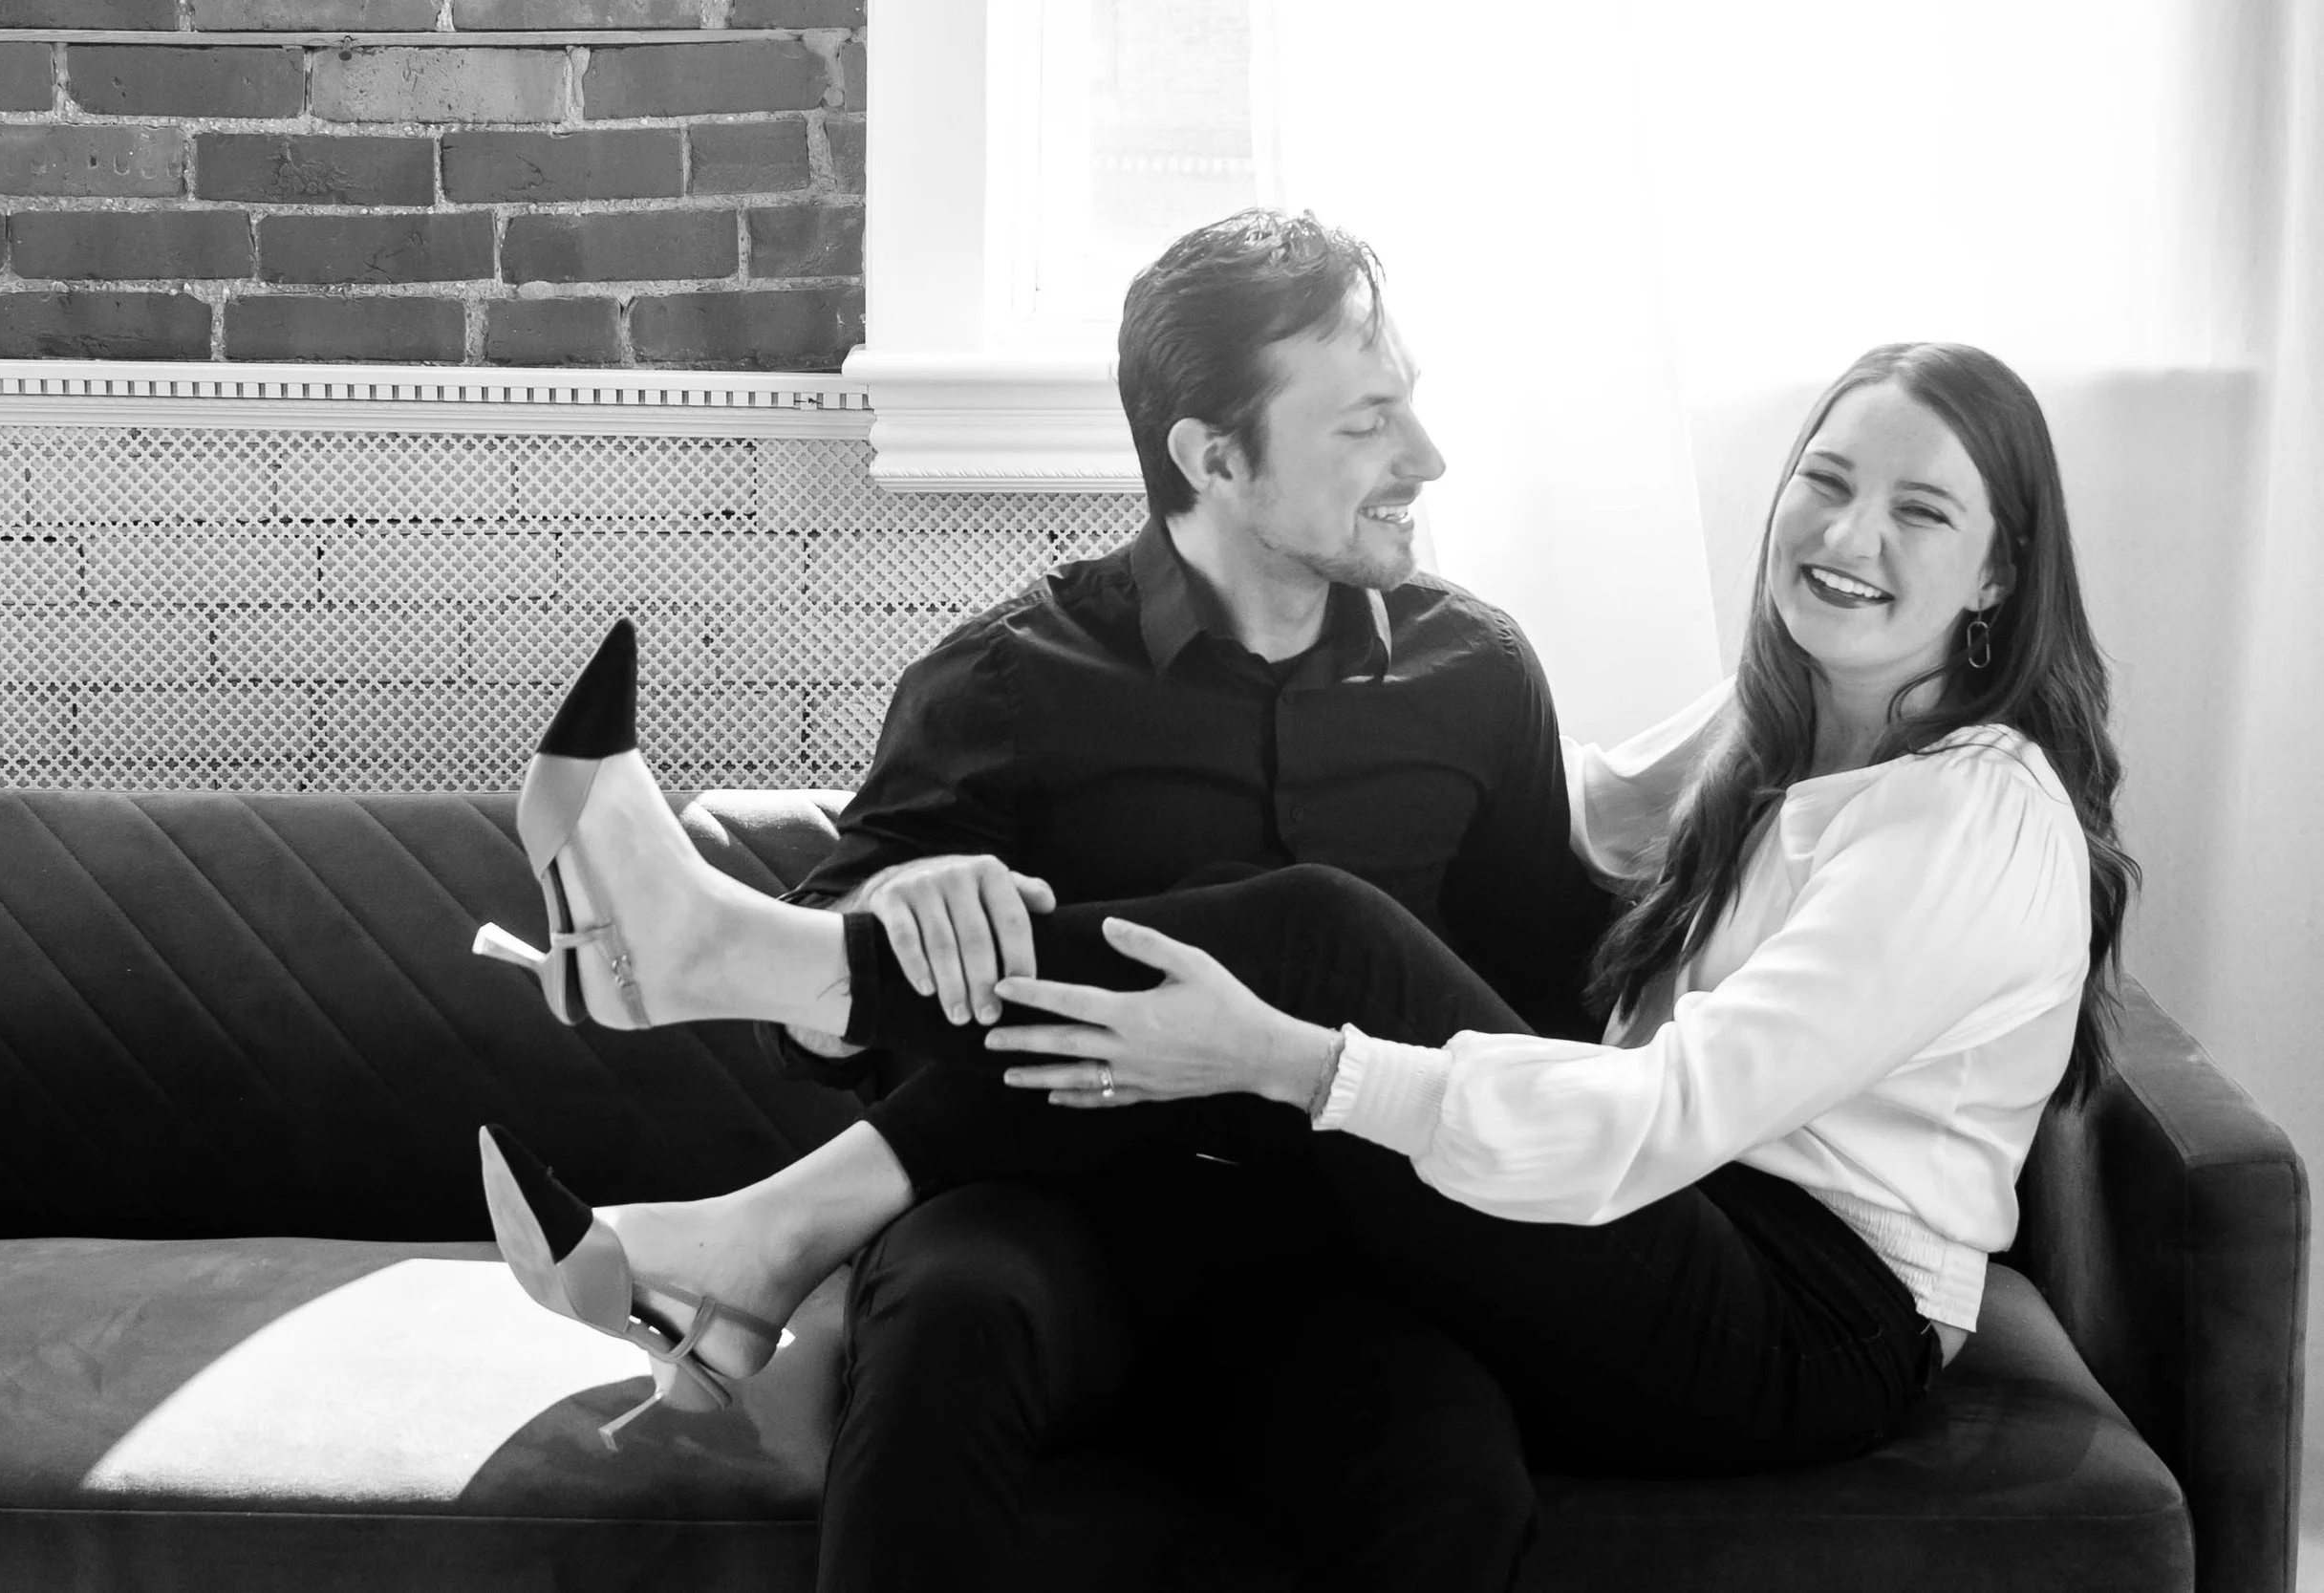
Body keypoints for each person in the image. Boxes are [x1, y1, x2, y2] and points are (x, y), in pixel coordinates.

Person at [475, 337, 2137, 1561]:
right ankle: (756, 1172)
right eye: (1829, 481)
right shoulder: (1777, 730)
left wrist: (1290, 1053)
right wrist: (903, 908)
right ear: (1213, 456)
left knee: (1328, 939)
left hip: (1788, 1307)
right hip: (1556, 1231)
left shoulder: (1973, 818)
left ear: (1998, 578)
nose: (1850, 534)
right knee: (1310, 944)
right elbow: (1579, 848)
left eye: (1924, 510)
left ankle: (728, 1022)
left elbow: (1647, 1110)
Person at [480, 207, 1616, 1593]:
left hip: (1344, 1256)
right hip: (1041, 1222)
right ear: (1212, 457)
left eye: (1411, 409)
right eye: (1367, 424)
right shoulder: (1007, 682)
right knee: (949, 1318)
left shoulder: (1481, 678)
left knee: (1453, 1477)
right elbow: (811, 1036)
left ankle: (726, 1098)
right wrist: (906, 896)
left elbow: (1536, 1015)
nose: (1424, 461)